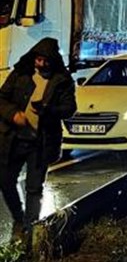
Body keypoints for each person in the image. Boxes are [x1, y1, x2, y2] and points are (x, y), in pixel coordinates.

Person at [0, 37, 77, 242]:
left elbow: (70, 109)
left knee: (34, 188)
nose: (41, 64)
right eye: (38, 59)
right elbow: (2, 99)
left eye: (45, 61)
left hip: (41, 143)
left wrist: (49, 110)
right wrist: (13, 114)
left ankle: (29, 228)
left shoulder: (62, 80)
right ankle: (19, 217)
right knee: (5, 181)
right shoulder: (21, 74)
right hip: (14, 139)